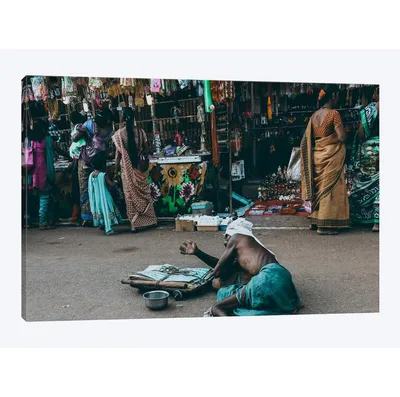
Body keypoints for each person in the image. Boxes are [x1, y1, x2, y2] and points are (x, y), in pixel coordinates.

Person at [179, 218, 301, 317]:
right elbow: (225, 268)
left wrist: (205, 280)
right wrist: (198, 253)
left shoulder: (236, 237)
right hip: (282, 280)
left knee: (218, 305)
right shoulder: (251, 250)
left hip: (268, 278)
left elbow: (217, 271)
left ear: (229, 235)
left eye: (225, 237)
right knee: (224, 292)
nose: (224, 243)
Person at [300, 84, 349, 235]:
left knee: (319, 189)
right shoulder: (334, 114)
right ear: (333, 96)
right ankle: (325, 225)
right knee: (330, 190)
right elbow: (341, 137)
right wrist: (346, 133)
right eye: (338, 96)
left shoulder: (314, 115)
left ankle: (315, 221)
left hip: (317, 155)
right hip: (331, 155)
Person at [112, 107, 157, 233]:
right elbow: (147, 150)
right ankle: (151, 221)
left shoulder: (118, 135)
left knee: (130, 197)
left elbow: (117, 156)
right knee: (145, 195)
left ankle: (134, 225)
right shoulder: (141, 132)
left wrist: (116, 172)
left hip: (127, 171)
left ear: (123, 118)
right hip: (140, 170)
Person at [72, 108, 114, 226]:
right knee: (85, 190)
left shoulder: (109, 129)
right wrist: (84, 132)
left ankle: (100, 215)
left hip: (99, 161)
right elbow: (74, 138)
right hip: (86, 162)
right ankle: (87, 218)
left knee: (99, 189)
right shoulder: (89, 125)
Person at [349, 87, 379, 232]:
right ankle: (378, 222)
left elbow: (361, 133)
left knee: (364, 183)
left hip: (370, 150)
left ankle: (361, 218)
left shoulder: (370, 109)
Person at [27, 120, 57, 230]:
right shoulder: (46, 140)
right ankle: (43, 221)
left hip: (32, 170)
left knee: (38, 196)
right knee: (45, 196)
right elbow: (50, 156)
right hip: (43, 170)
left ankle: (35, 219)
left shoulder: (30, 141)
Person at [88, 152, 122, 235]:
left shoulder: (91, 175)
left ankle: (102, 224)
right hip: (105, 197)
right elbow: (111, 185)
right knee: (108, 210)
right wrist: (115, 181)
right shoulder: (103, 175)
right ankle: (108, 228)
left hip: (96, 198)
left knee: (101, 211)